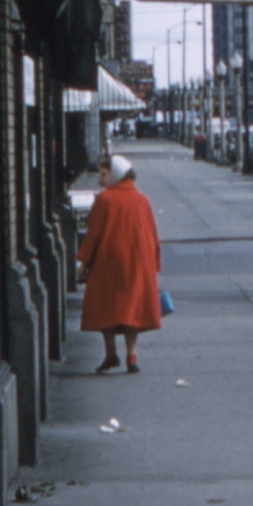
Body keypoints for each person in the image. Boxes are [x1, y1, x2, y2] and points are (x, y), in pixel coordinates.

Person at [77, 155, 162, 374]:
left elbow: (93, 235)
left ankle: (110, 353)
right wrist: (154, 264)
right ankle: (132, 356)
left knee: (106, 307)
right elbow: (152, 234)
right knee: (131, 310)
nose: (100, 180)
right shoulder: (143, 200)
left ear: (115, 175)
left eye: (104, 175)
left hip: (108, 263)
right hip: (137, 264)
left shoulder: (104, 200)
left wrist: (83, 262)